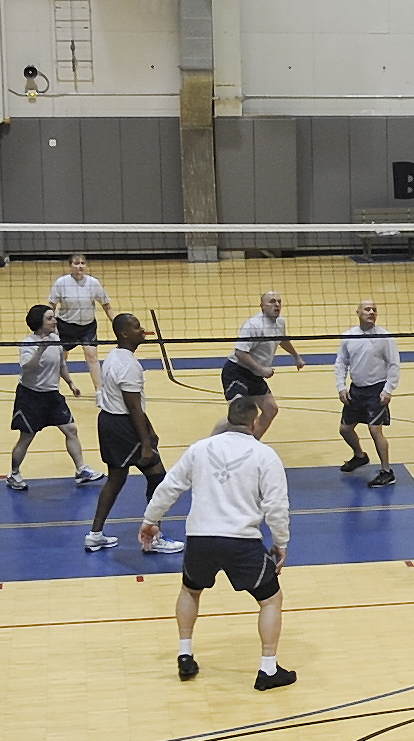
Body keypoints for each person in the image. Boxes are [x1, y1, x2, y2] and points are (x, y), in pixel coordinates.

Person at [142, 395, 295, 688]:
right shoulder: (265, 455)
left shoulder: (199, 449)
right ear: (254, 422)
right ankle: (268, 669)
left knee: (190, 590)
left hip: (201, 539)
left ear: (228, 419)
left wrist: (150, 520)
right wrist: (280, 542)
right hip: (242, 541)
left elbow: (170, 485)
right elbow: (277, 506)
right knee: (271, 599)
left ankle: (185, 655)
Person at [86, 312, 183, 555]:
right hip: (123, 426)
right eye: (137, 327)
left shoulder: (114, 357)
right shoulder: (129, 366)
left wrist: (151, 430)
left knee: (116, 479)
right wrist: (146, 443)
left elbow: (132, 403)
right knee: (158, 478)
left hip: (108, 422)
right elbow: (133, 407)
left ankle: (94, 535)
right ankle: (153, 537)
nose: (143, 330)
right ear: (124, 333)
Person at [8, 305, 103, 491]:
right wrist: (40, 350)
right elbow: (27, 368)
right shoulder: (28, 343)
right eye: (50, 318)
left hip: (52, 395)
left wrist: (71, 383)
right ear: (40, 322)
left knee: (71, 430)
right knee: (26, 437)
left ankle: (81, 470)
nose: (54, 321)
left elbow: (61, 364)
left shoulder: (56, 339)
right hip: (31, 396)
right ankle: (14, 474)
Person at [334, 299, 400, 487]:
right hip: (356, 389)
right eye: (367, 309)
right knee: (345, 429)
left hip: (376, 390)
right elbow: (341, 363)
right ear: (358, 312)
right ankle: (360, 456)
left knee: (374, 430)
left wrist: (388, 390)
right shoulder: (349, 336)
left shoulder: (385, 337)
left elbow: (394, 365)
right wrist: (341, 386)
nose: (371, 312)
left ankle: (387, 472)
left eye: (374, 310)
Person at [222, 290, 305, 439]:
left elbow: (282, 339)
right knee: (239, 413)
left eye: (279, 301)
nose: (277, 305)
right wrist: (261, 369)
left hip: (254, 375)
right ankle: (216, 440)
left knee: (271, 409)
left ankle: (251, 441)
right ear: (262, 306)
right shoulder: (252, 325)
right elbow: (240, 352)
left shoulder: (280, 322)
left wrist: (296, 356)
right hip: (237, 372)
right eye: (272, 302)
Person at [49, 254, 112, 393]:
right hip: (66, 326)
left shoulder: (93, 283)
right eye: (76, 263)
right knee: (60, 359)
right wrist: (50, 326)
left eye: (83, 263)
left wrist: (116, 323)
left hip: (87, 326)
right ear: (70, 265)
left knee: (92, 357)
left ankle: (100, 392)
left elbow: (106, 305)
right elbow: (52, 306)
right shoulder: (61, 283)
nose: (80, 266)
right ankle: (53, 389)